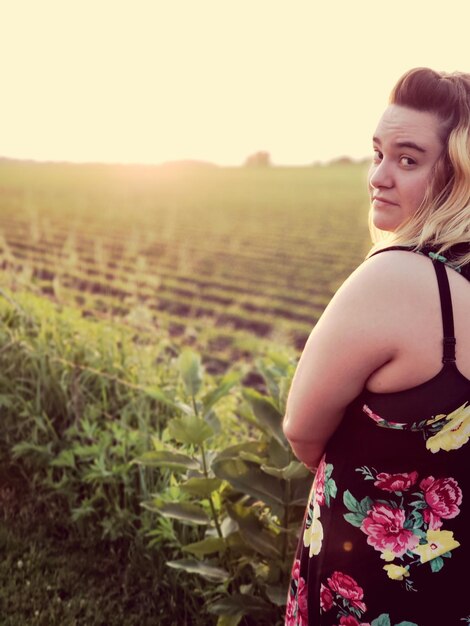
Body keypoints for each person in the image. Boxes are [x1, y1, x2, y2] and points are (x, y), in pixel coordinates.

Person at [282, 67, 470, 626]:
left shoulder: (397, 280)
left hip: (369, 589)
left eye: (407, 160)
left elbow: (300, 428)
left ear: (458, 176)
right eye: (377, 154)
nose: (379, 177)